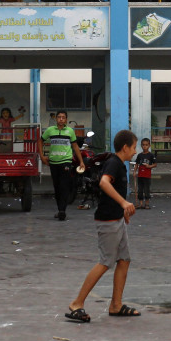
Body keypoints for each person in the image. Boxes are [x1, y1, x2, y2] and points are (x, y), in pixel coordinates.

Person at [64, 130, 141, 322]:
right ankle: (77, 303)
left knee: (124, 260)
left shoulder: (119, 165)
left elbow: (114, 190)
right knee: (106, 261)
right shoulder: (113, 163)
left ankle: (116, 305)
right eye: (133, 147)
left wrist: (122, 209)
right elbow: (104, 183)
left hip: (117, 219)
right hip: (108, 221)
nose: (135, 151)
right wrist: (124, 204)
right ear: (125, 147)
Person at [41, 110, 85, 221]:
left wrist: (81, 161)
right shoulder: (50, 130)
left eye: (63, 117)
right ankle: (60, 209)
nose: (61, 119)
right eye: (59, 117)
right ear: (56, 119)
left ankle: (62, 211)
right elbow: (40, 141)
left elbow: (75, 146)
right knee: (57, 187)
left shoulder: (70, 131)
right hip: (53, 163)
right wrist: (42, 156)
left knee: (64, 186)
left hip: (66, 162)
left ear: (66, 119)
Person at [134, 138, 156, 210]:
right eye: (143, 145)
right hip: (140, 175)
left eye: (146, 145)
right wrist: (134, 172)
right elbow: (137, 164)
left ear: (149, 145)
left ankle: (147, 204)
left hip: (147, 176)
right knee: (140, 190)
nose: (145, 146)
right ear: (141, 146)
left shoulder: (151, 155)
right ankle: (140, 204)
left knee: (146, 190)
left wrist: (149, 166)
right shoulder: (139, 155)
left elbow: (155, 164)